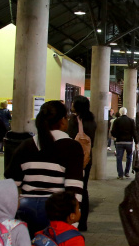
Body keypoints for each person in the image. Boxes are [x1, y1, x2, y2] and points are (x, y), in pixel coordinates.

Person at [5, 100, 84, 237]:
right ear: (62, 120)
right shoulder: (72, 146)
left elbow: (12, 182)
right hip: (55, 210)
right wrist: (73, 222)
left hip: (25, 208)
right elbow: (74, 187)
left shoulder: (26, 145)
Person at [66, 96, 96, 232]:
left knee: (73, 188)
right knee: (84, 189)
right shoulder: (92, 121)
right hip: (88, 158)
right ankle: (83, 222)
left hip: (75, 158)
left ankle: (73, 219)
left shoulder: (74, 120)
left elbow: (70, 138)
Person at [110, 107, 138, 179]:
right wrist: (136, 142)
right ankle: (127, 172)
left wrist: (116, 136)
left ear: (120, 112)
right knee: (129, 157)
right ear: (126, 112)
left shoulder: (117, 121)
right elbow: (134, 132)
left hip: (119, 142)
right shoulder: (131, 121)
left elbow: (113, 132)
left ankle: (120, 174)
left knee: (119, 158)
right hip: (129, 142)